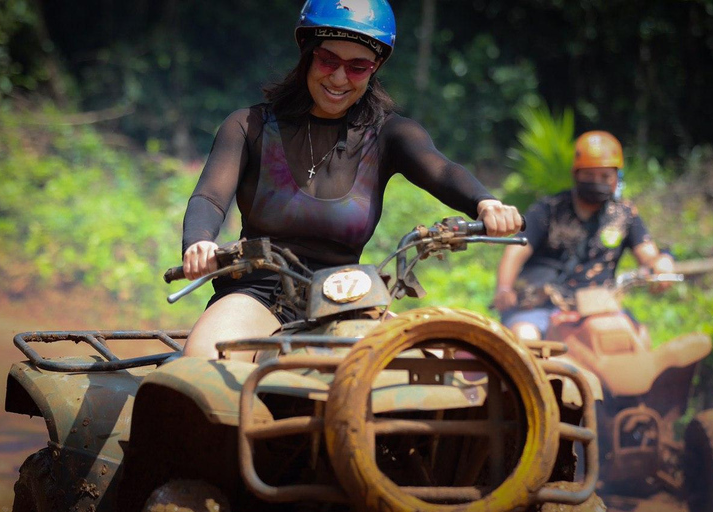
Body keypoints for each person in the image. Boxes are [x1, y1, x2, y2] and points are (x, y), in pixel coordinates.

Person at [180, 0, 523, 359]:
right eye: (328, 60)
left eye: (358, 67)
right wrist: (198, 242)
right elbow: (209, 198)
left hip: (348, 298)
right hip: (257, 293)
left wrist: (486, 202)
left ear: (375, 69)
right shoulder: (247, 126)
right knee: (202, 360)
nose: (340, 78)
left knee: (431, 373)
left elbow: (442, 168)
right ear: (308, 54)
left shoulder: (390, 135)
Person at [493, 130, 673, 340]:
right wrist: (504, 288)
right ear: (575, 174)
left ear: (617, 177)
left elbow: (648, 255)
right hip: (540, 304)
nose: (597, 181)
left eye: (605, 176)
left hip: (598, 307)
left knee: (639, 338)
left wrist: (662, 262)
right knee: (525, 336)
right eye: (589, 174)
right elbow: (515, 251)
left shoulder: (624, 215)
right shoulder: (549, 208)